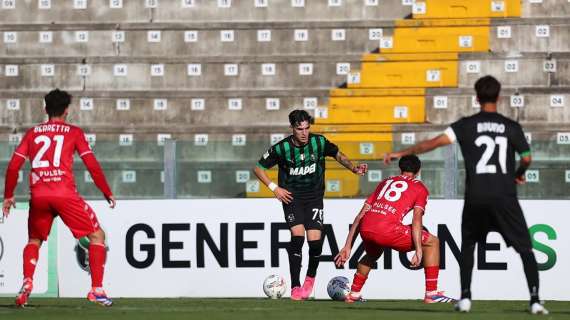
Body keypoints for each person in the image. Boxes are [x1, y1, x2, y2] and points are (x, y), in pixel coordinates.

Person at [383, 75, 548, 314]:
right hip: (504, 196)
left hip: (476, 196)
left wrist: (402, 153)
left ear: (477, 97)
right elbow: (527, 158)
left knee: (469, 246)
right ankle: (534, 301)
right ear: (499, 97)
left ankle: (466, 297)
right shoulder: (511, 126)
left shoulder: (466, 125)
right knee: (525, 249)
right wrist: (520, 173)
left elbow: (433, 143)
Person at [2, 89, 115, 307]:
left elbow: (14, 166)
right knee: (97, 236)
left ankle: (27, 283)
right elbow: (91, 164)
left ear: (46, 109)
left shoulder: (33, 133)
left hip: (39, 195)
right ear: (66, 110)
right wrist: (106, 190)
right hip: (64, 195)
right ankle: (97, 290)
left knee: (34, 241)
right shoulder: (73, 132)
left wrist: (8, 195)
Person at [254, 109, 367, 300]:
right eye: (300, 129)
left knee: (315, 243)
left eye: (307, 128)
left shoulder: (319, 142)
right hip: (292, 197)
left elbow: (338, 154)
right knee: (297, 238)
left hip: (314, 196)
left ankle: (310, 278)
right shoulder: (281, 148)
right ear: (292, 129)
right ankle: (296, 286)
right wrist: (275, 188)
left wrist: (353, 168)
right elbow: (258, 168)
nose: (304, 133)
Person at [335, 155, 454, 303]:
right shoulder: (420, 188)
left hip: (367, 227)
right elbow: (417, 220)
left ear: (400, 168)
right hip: (386, 230)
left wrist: (347, 246)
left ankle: (353, 294)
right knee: (433, 242)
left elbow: (360, 215)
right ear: (418, 171)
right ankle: (431, 294)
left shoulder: (386, 182)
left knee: (372, 254)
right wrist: (418, 249)